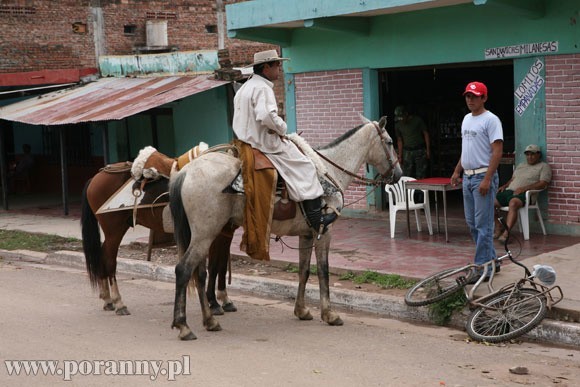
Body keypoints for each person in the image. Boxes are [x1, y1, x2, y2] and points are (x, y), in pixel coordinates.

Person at [232, 49, 336, 234]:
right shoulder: (262, 88)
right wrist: (282, 128)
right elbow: (266, 115)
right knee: (306, 165)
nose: (280, 68)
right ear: (266, 67)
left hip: (243, 141)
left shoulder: (245, 87)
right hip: (263, 143)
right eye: (277, 65)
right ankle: (316, 219)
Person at [451, 81, 503, 276]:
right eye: (467, 96)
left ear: (484, 98)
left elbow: (497, 152)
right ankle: (492, 260)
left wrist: (487, 179)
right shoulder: (466, 119)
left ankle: (482, 268)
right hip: (467, 177)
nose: (470, 99)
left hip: (483, 176)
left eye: (474, 96)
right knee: (472, 223)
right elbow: (466, 150)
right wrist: (457, 171)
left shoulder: (491, 120)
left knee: (483, 225)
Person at [494, 144, 551, 242]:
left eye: (532, 154)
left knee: (513, 203)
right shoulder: (521, 166)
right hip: (510, 191)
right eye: (528, 155)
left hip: (525, 194)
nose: (530, 157)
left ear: (539, 155)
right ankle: (499, 226)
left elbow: (543, 183)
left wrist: (524, 188)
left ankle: (506, 233)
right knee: (489, 201)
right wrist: (504, 186)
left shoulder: (543, 166)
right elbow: (513, 179)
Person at [394, 105, 430, 179]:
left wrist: (428, 150)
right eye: (399, 118)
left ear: (406, 114)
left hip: (419, 150)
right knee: (406, 175)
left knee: (421, 174)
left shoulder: (417, 120)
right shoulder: (398, 125)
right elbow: (399, 140)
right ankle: (407, 190)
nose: (401, 120)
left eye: (402, 117)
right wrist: (400, 156)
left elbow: (426, 134)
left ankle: (421, 190)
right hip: (407, 151)